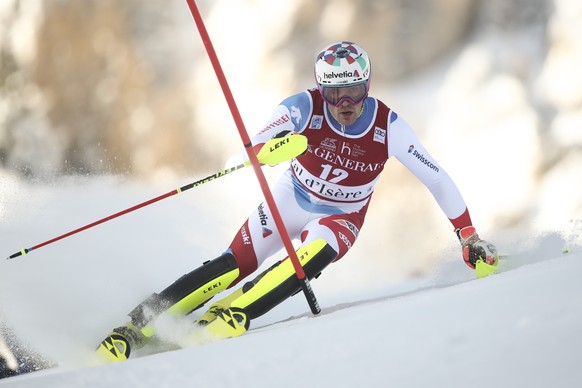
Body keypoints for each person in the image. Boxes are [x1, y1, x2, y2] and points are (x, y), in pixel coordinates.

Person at [96, 41, 498, 362]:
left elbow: (436, 178)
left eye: (353, 91)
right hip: (291, 198)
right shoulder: (302, 107)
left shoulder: (389, 126)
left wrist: (467, 234)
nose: (344, 103)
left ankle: (234, 313)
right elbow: (244, 154)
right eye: (334, 92)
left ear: (367, 87)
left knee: (314, 252)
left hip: (342, 214)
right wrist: (273, 149)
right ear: (322, 88)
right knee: (233, 264)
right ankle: (138, 324)